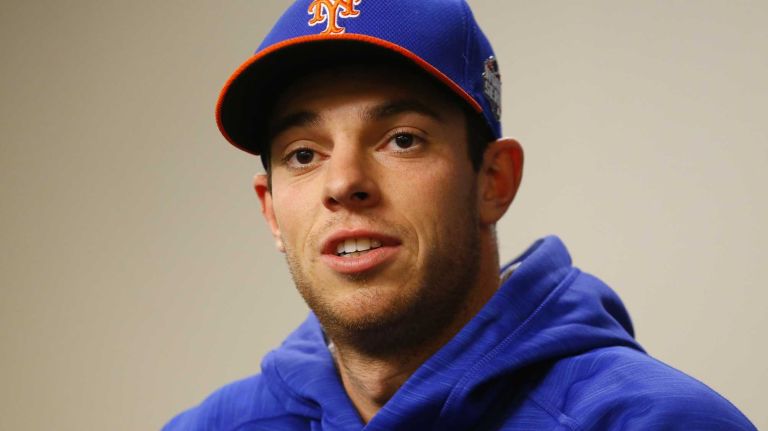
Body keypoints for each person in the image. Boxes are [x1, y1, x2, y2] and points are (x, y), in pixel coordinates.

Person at [165, 1, 756, 429]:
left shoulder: (654, 422)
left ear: (493, 181)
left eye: (401, 140)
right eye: (303, 155)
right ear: (271, 211)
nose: (343, 183)